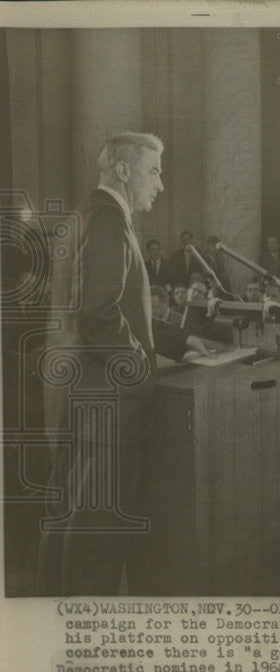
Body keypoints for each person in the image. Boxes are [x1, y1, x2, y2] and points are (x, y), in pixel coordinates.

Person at [38, 132, 164, 595]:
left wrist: (181, 336)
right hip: (106, 403)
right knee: (97, 540)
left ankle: (50, 642)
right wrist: (138, 366)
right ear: (124, 171)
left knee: (66, 522)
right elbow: (97, 312)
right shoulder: (111, 219)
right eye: (154, 171)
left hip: (71, 395)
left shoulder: (83, 215)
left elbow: (105, 306)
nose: (160, 184)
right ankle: (92, 655)